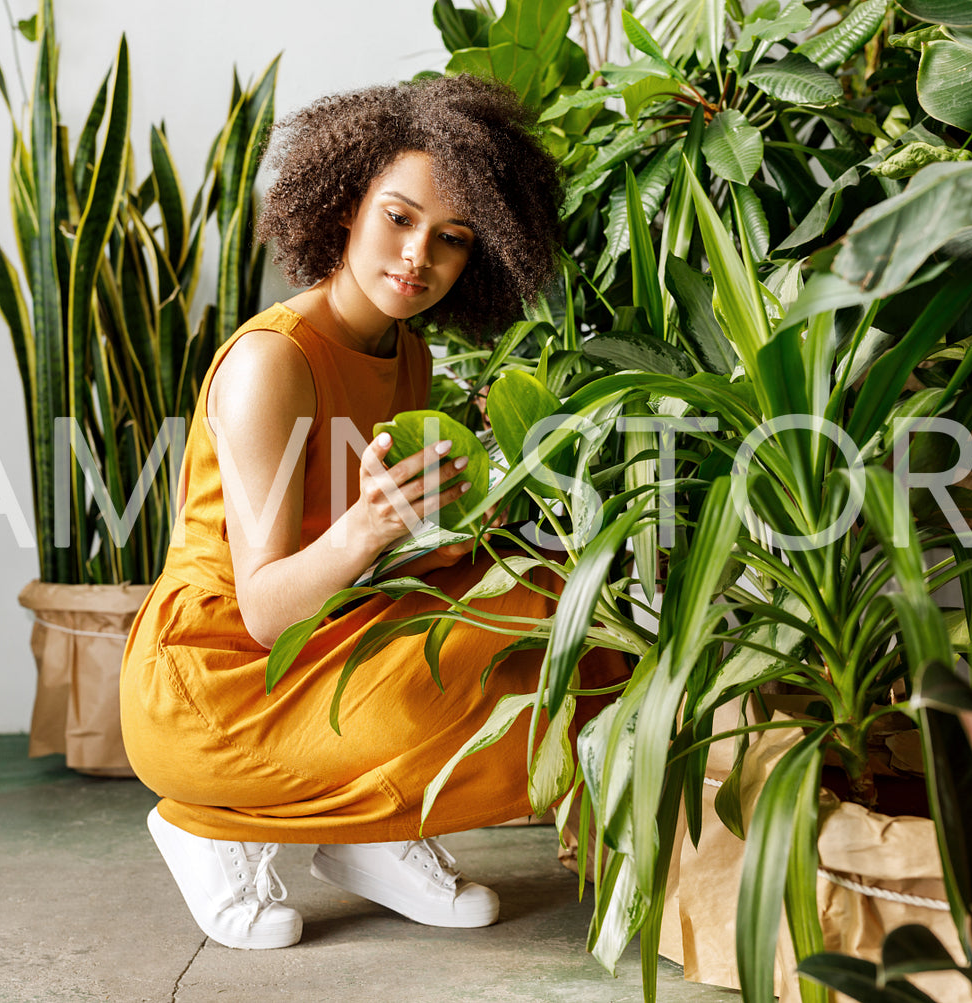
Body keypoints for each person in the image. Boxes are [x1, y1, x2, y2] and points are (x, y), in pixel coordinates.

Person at [119, 74, 629, 951]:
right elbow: (266, 605)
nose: (416, 258)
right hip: (219, 680)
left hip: (329, 639)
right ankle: (209, 824)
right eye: (398, 217)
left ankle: (371, 841)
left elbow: (389, 547)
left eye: (452, 239)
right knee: (487, 664)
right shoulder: (272, 362)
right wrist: (368, 526)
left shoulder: (407, 350)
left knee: (570, 619)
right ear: (346, 203)